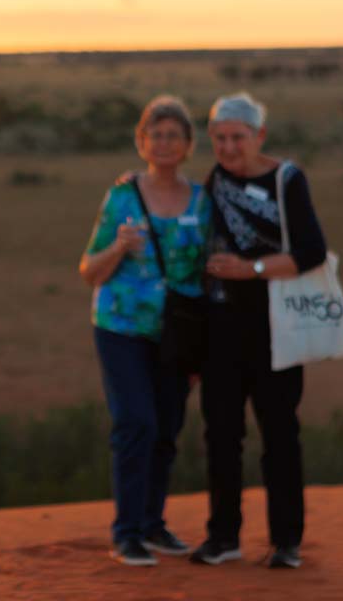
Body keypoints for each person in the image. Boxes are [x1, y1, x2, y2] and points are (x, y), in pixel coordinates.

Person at [190, 92, 327, 570]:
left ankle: (286, 541)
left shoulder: (288, 180)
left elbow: (311, 252)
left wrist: (250, 269)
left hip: (277, 330)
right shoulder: (215, 181)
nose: (228, 147)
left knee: (280, 436)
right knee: (222, 436)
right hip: (221, 333)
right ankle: (223, 537)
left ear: (259, 136)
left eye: (238, 137)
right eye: (220, 138)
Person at [78, 95, 211, 567]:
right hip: (120, 327)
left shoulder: (202, 201)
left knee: (168, 429)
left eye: (174, 135)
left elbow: (205, 274)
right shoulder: (122, 197)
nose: (164, 142)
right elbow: (90, 269)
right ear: (141, 142)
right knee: (137, 422)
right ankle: (127, 531)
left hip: (178, 333)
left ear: (188, 144)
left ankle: (154, 525)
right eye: (155, 134)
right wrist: (118, 246)